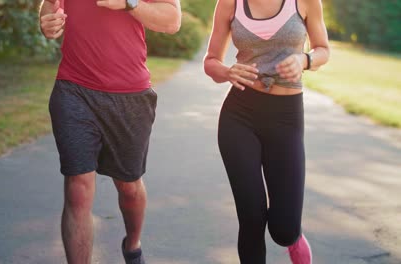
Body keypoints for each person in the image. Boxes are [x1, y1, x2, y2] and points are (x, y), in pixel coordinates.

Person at [38, 0, 181, 262]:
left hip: (130, 94)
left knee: (129, 186)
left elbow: (172, 21)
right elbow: (50, 4)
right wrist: (47, 20)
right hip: (74, 88)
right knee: (78, 186)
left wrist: (129, 3)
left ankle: (133, 245)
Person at [204, 0, 329, 262]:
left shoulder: (305, 2)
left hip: (287, 117)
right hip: (239, 114)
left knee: (284, 229)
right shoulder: (230, 3)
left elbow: (323, 50)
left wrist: (304, 59)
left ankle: (292, 237)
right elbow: (211, 61)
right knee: (251, 217)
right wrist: (227, 71)